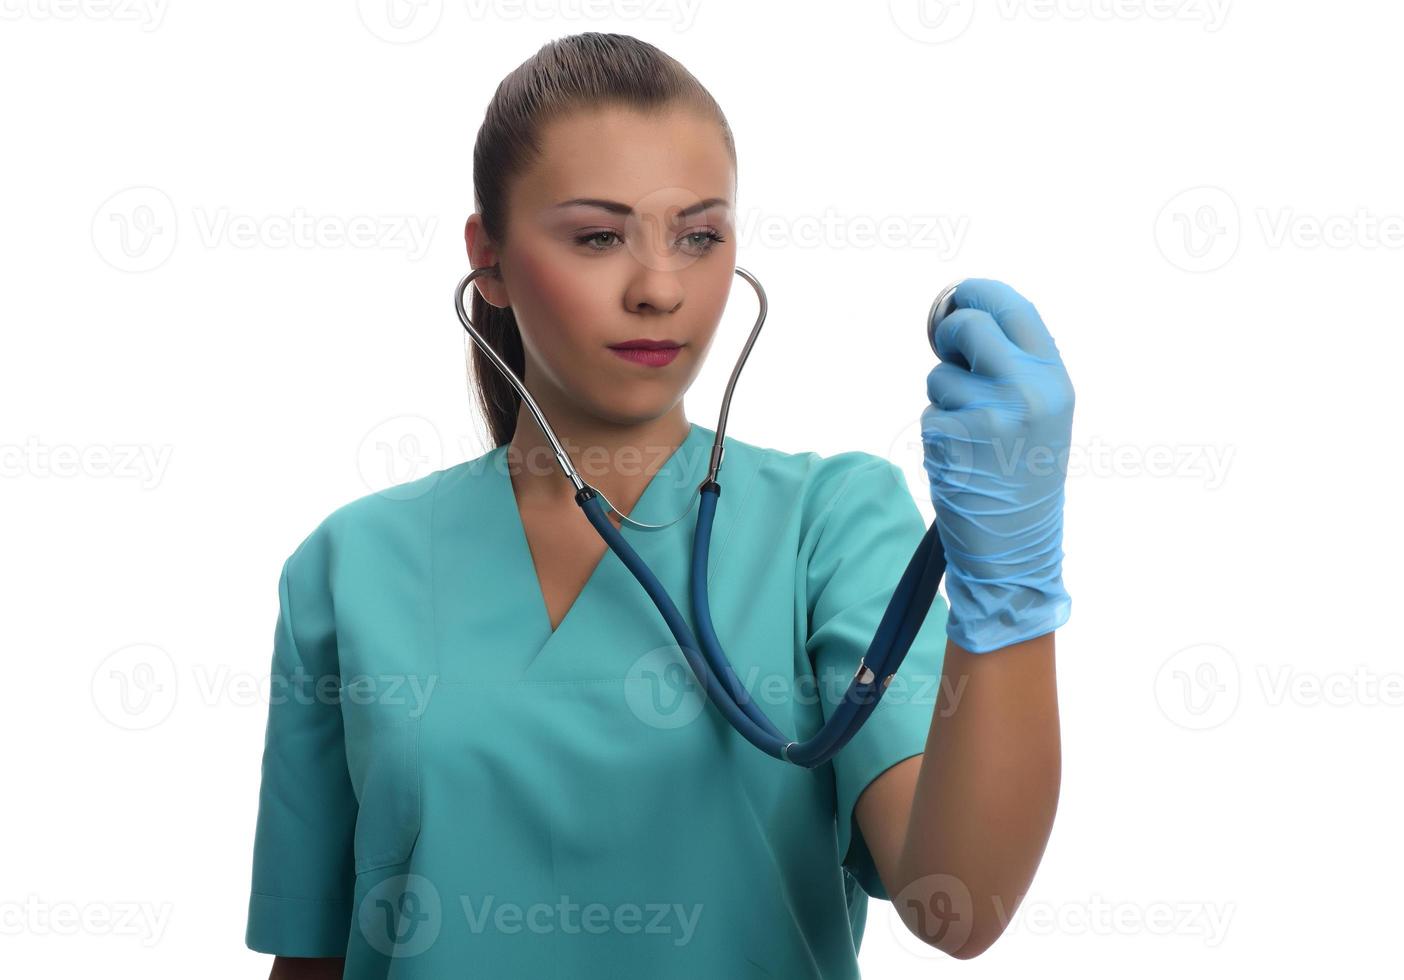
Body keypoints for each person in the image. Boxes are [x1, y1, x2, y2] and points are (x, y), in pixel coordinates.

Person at [245, 31, 1073, 980]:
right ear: (492, 263)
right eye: (598, 237)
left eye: (699, 236)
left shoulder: (829, 527)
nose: (658, 289)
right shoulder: (349, 566)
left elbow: (956, 904)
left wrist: (1009, 588)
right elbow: (312, 958)